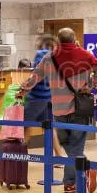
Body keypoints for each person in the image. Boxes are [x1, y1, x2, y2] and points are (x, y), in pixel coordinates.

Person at [17, 28, 97, 193]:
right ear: (74, 39)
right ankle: (85, 168)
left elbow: (35, 76)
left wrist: (23, 90)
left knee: (67, 144)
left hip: (58, 110)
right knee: (75, 147)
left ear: (58, 40)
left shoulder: (49, 57)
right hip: (80, 109)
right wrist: (91, 85)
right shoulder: (86, 55)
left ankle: (70, 181)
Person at [22, 34, 66, 164]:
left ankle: (19, 157)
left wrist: (24, 88)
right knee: (50, 128)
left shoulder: (41, 54)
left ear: (42, 43)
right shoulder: (56, 57)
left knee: (25, 126)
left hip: (36, 98)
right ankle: (59, 157)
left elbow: (37, 75)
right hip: (48, 98)